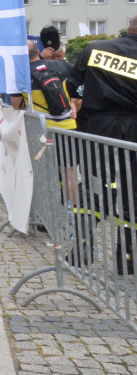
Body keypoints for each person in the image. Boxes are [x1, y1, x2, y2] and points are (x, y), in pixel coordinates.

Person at [66, 15, 137, 273]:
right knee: (132, 195)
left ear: (127, 28)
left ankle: (82, 249)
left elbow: (72, 86)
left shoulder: (95, 48)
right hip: (134, 128)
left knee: (95, 187)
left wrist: (88, 96)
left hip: (100, 126)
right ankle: (126, 260)